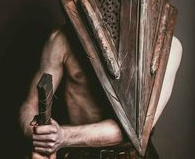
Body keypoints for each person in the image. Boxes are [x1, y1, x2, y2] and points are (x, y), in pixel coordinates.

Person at [19, 25, 182, 159]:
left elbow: (138, 129)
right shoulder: (61, 39)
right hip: (77, 154)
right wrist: (41, 136)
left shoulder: (168, 47)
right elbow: (29, 106)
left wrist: (63, 136)